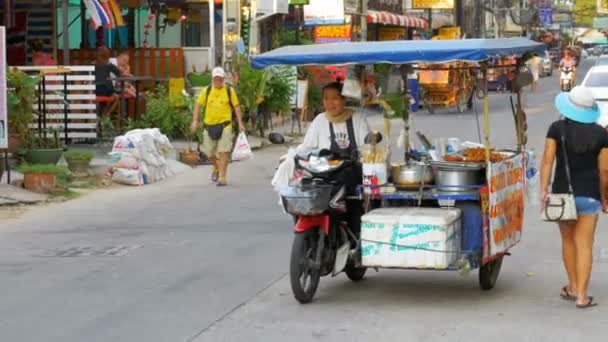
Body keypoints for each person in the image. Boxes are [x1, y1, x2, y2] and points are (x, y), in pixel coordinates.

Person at [540, 86, 608, 309]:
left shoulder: (556, 129)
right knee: (585, 245)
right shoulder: (601, 134)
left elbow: (547, 162)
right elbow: (605, 171)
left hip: (562, 195)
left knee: (568, 241)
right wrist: (605, 197)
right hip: (590, 196)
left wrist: (544, 191)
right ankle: (582, 296)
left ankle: (571, 286)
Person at [295, 82, 372, 239]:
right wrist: (290, 157)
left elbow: (368, 147)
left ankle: (354, 234)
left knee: (352, 198)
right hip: (325, 174)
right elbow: (306, 147)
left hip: (351, 174)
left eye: (335, 98)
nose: (330, 103)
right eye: (326, 99)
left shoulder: (357, 119)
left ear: (344, 100)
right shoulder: (319, 121)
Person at [190, 67, 245, 187]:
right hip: (209, 125)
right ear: (212, 79)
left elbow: (236, 107)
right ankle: (215, 167)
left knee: (223, 152)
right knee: (209, 153)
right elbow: (198, 105)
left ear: (223, 79)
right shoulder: (207, 91)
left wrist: (240, 123)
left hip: (225, 125)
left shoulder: (229, 91)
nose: (218, 81)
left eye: (220, 79)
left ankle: (222, 177)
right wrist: (195, 121)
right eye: (216, 79)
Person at [94, 47, 122, 117]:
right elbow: (119, 73)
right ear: (107, 55)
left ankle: (103, 115)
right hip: (106, 91)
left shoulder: (92, 64)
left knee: (109, 98)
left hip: (94, 91)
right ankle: (106, 115)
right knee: (116, 97)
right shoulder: (108, 65)